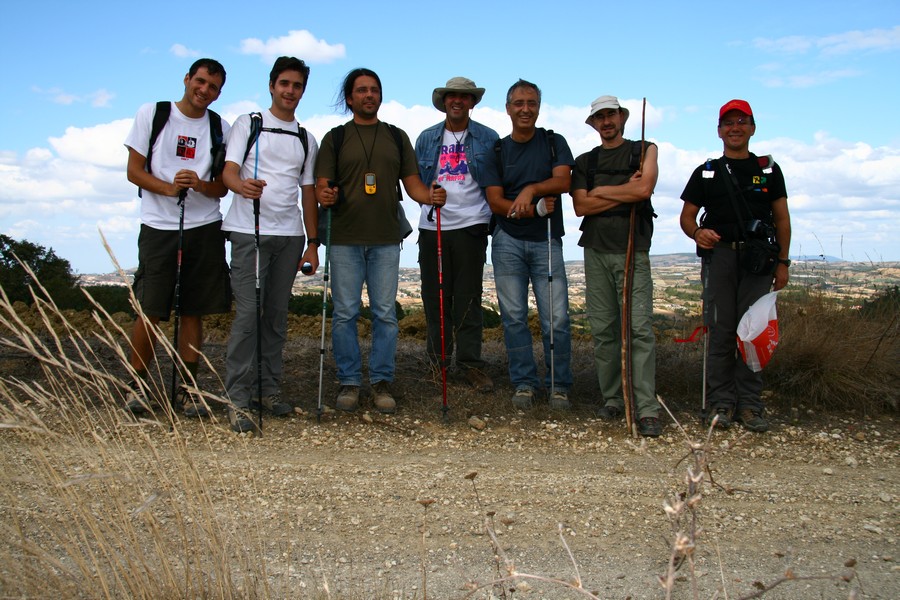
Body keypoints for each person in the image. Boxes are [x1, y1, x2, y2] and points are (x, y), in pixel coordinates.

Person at [315, 68, 445, 414]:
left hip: (387, 238)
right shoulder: (335, 138)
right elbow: (322, 186)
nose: (369, 95)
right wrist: (324, 195)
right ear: (349, 98)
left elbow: (413, 185)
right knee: (345, 313)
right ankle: (349, 381)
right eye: (361, 90)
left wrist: (430, 196)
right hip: (344, 238)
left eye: (374, 89)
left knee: (385, 314)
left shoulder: (396, 136)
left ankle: (382, 381)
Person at [122, 58, 231, 416]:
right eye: (200, 81)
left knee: (193, 310)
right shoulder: (153, 114)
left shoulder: (220, 127)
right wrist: (169, 188)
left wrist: (199, 184)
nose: (204, 90)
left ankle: (188, 390)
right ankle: (136, 387)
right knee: (150, 309)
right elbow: (134, 171)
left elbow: (221, 187)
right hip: (158, 225)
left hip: (204, 225)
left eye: (212, 87)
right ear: (186, 79)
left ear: (218, 93)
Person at [221, 57, 320, 432]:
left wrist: (313, 243)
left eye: (297, 85)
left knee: (276, 316)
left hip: (290, 234)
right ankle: (237, 398)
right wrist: (241, 187)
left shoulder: (306, 138)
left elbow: (308, 192)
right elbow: (230, 171)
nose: (290, 91)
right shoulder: (248, 124)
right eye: (284, 83)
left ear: (303, 90)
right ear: (271, 85)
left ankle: (268, 389)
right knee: (248, 316)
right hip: (248, 229)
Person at [680, 99, 791, 433]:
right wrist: (697, 233)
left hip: (758, 262)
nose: (735, 128)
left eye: (742, 122)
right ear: (719, 131)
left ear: (753, 128)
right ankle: (721, 403)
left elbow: (782, 219)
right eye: (728, 123)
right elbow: (687, 217)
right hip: (720, 258)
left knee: (752, 333)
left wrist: (783, 263)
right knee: (721, 332)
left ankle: (750, 405)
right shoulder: (707, 172)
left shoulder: (768, 169)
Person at [481, 79, 575, 410]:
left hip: (547, 239)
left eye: (531, 103)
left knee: (557, 319)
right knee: (514, 317)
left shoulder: (553, 143)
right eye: (519, 103)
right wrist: (531, 209)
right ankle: (524, 382)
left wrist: (530, 189)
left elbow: (564, 181)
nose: (525, 109)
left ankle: (559, 385)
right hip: (507, 240)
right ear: (508, 108)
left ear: (539, 107)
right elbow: (495, 202)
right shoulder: (496, 151)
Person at [571, 95, 662, 437]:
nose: (606, 121)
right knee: (604, 330)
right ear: (593, 123)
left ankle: (646, 407)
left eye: (611, 115)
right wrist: (626, 188)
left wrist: (601, 192)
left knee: (639, 329)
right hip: (595, 250)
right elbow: (580, 206)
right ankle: (613, 399)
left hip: (632, 249)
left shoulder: (645, 149)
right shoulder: (585, 161)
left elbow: (645, 189)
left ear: (622, 117)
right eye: (600, 117)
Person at [414, 77, 499, 393]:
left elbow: (496, 180)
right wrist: (427, 197)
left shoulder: (488, 137)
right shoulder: (426, 138)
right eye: (453, 96)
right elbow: (415, 182)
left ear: (472, 102)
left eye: (465, 97)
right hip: (432, 226)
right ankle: (437, 363)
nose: (458, 101)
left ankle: (470, 364)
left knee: (468, 299)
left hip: (472, 225)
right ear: (444, 101)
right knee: (434, 299)